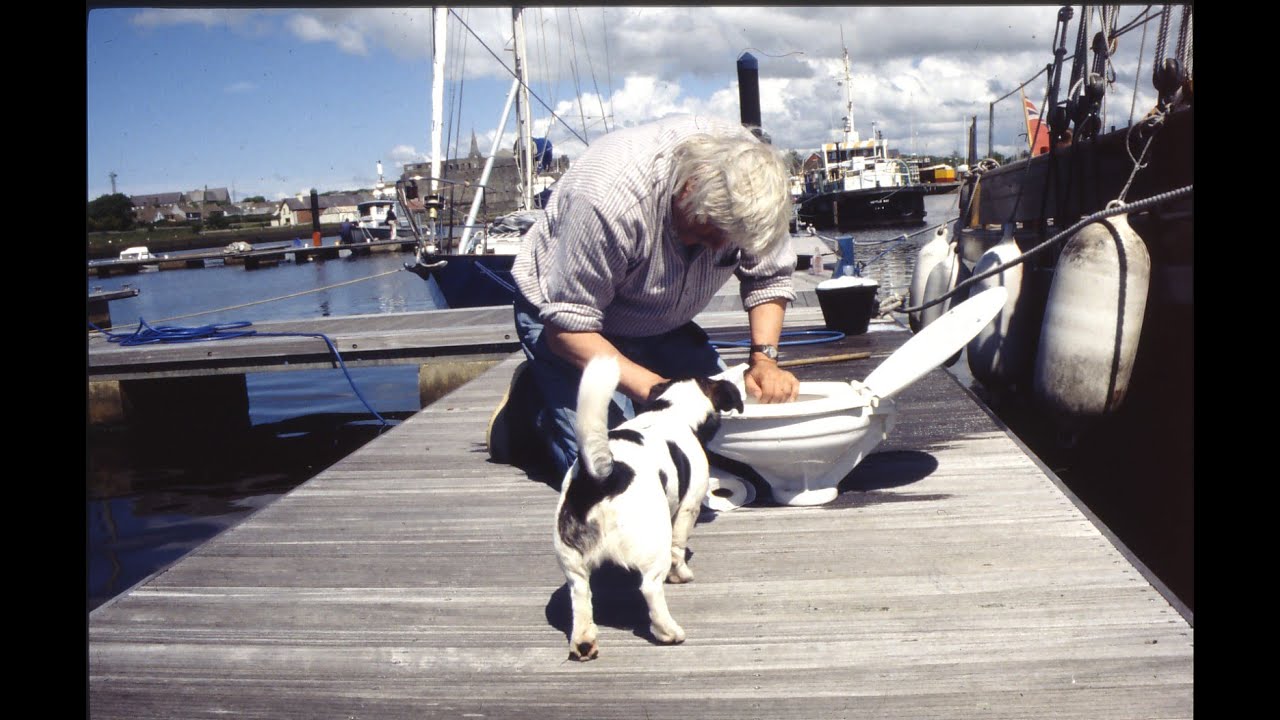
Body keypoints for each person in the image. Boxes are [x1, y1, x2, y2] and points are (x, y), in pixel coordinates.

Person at [487, 114, 800, 478]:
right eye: (711, 231)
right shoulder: (608, 200)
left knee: (722, 442)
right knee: (609, 468)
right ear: (688, 189)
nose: (720, 247)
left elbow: (768, 277)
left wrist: (764, 361)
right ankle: (531, 408)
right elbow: (569, 329)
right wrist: (660, 393)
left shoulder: (755, 184)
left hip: (657, 318)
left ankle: (620, 381)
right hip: (567, 323)